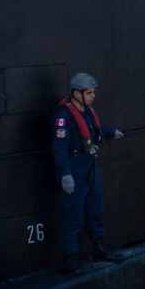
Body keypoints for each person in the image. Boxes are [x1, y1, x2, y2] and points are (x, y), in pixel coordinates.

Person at [53, 73, 126, 273]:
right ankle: (71, 258)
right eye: (89, 92)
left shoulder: (86, 111)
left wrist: (111, 132)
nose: (93, 96)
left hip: (90, 166)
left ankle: (99, 248)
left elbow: (93, 131)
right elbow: (59, 148)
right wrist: (65, 174)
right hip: (75, 168)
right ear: (76, 93)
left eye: (93, 92)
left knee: (95, 209)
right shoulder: (63, 116)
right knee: (73, 214)